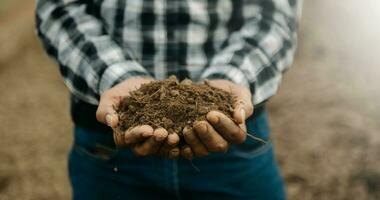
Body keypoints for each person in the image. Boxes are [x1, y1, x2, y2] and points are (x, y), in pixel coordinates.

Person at [36, 0, 302, 199]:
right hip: (109, 144)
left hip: (232, 136)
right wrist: (118, 78)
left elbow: (275, 13)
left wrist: (230, 81)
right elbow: (59, 9)